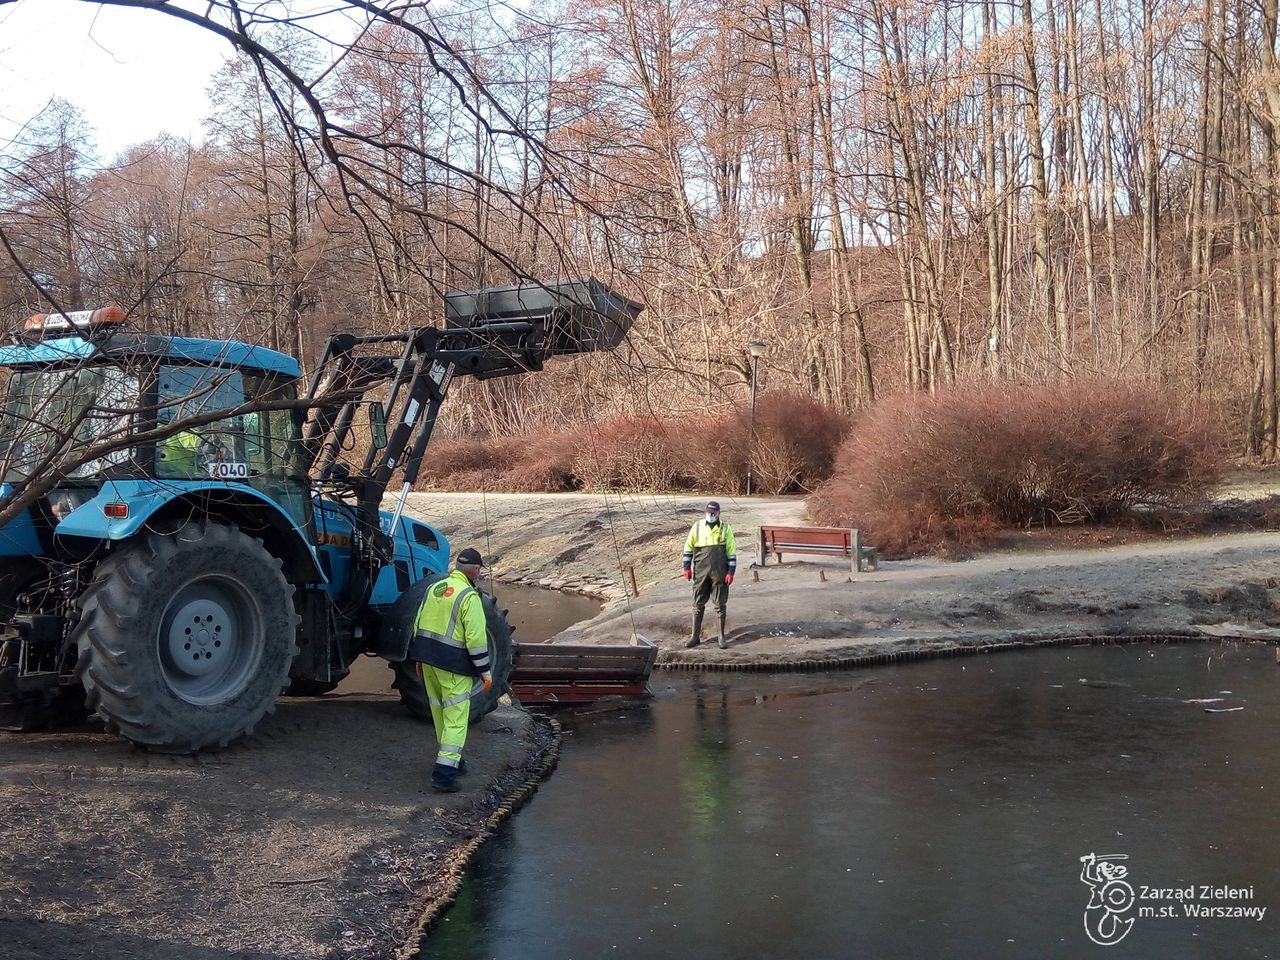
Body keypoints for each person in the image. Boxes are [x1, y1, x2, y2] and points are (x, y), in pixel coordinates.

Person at [409, 547, 493, 793]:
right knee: (456, 719)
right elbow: (477, 639)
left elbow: (418, 622)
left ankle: (454, 760)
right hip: (453, 666)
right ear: (476, 570)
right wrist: (485, 671)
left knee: (439, 713)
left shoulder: (434, 588)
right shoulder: (469, 596)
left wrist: (419, 656)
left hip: (428, 661)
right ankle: (444, 775)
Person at [681, 500, 737, 649]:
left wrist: (731, 572)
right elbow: (688, 547)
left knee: (720, 604)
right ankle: (695, 636)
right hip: (700, 571)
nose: (710, 515)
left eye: (713, 513)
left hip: (720, 572)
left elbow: (731, 552)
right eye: (708, 512)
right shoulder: (697, 526)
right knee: (697, 603)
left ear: (718, 513)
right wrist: (686, 567)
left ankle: (721, 636)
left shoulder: (726, 528)